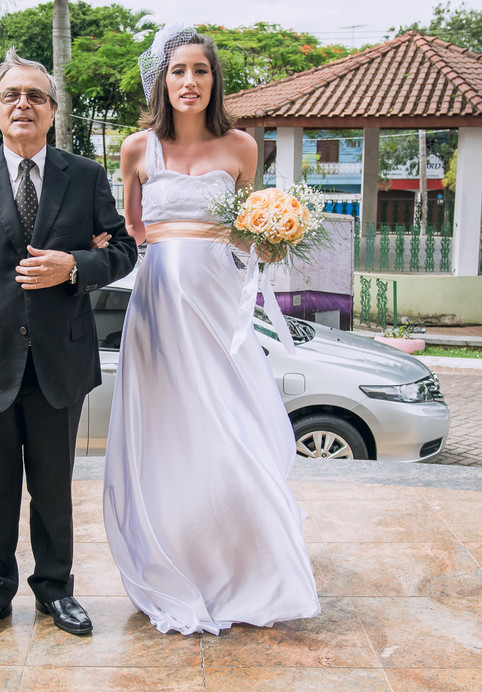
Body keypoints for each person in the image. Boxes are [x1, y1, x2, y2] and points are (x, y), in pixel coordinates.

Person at [102, 27, 320, 635]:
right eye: (178, 72)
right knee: (171, 436)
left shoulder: (242, 148)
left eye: (200, 71)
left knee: (232, 432)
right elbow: (133, 232)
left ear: (213, 80)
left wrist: (274, 240)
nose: (189, 82)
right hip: (157, 313)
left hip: (219, 310)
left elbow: (248, 234)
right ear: (161, 81)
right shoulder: (136, 149)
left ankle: (252, 569)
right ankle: (176, 559)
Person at [0, 48, 138, 644]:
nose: (24, 105)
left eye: (35, 96)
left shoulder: (84, 176)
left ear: (52, 111)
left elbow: (122, 251)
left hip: (59, 359)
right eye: (13, 95)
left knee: (53, 483)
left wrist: (74, 265)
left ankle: (56, 591)